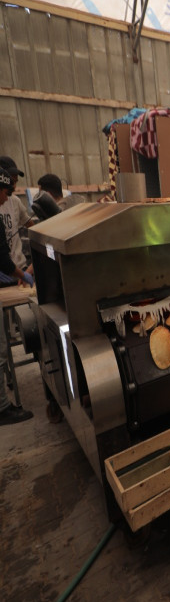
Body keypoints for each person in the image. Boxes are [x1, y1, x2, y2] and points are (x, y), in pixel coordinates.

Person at [0, 167, 33, 426]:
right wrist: (22, 275)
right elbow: (2, 259)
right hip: (8, 275)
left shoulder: (12, 205)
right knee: (2, 350)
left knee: (6, 346)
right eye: (6, 189)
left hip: (12, 273)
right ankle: (3, 408)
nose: (7, 195)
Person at [0, 156, 34, 274]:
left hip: (19, 268)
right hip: (4, 271)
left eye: (16, 182)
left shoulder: (15, 201)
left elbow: (31, 226)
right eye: (11, 181)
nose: (14, 186)